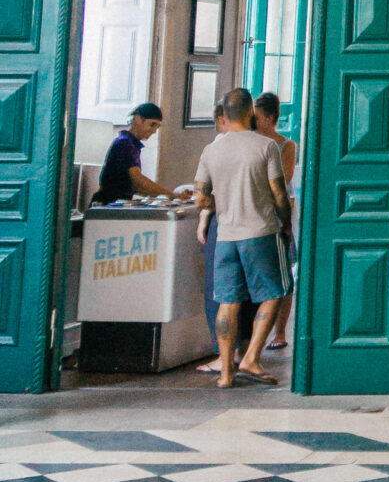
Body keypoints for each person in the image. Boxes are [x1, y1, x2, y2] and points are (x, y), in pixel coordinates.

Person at [193, 88, 290, 389]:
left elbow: (199, 197)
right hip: (259, 231)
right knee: (275, 292)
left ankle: (225, 373)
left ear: (224, 114)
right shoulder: (264, 146)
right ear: (250, 112)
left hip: (226, 235)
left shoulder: (212, 149)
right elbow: (278, 193)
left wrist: (218, 206)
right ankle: (251, 358)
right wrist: (285, 225)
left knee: (227, 300)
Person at [253, 93, 298, 358]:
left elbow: (285, 178)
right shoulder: (252, 143)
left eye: (258, 118)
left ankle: (280, 331)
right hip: (258, 215)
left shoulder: (285, 145)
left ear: (270, 118)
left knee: (283, 274)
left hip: (278, 216)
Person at [92, 102, 172, 204]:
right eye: (152, 124)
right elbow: (137, 183)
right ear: (138, 120)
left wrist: (165, 196)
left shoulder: (129, 143)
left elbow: (134, 186)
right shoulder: (124, 143)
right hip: (108, 205)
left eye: (157, 126)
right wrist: (171, 196)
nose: (154, 130)